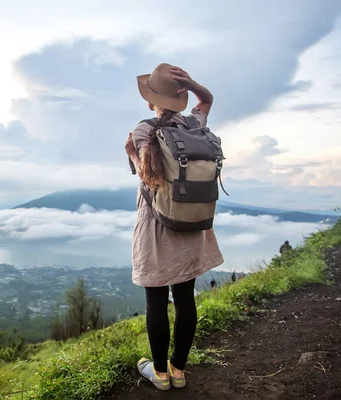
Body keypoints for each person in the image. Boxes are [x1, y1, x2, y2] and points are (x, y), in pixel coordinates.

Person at [125, 63, 224, 391]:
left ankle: (160, 374)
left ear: (152, 99)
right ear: (181, 98)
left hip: (158, 225)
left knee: (156, 301)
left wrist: (132, 154)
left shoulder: (144, 130)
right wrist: (193, 84)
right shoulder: (195, 124)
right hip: (192, 224)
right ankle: (178, 369)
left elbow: (149, 177)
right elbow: (207, 99)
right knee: (185, 298)